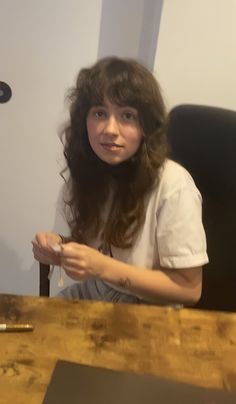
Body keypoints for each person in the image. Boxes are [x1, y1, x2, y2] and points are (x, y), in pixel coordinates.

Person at [32, 57, 208, 305]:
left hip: (150, 308)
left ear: (146, 125)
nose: (110, 129)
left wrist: (103, 268)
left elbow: (189, 290)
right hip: (95, 292)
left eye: (127, 115)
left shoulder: (173, 185)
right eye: (100, 113)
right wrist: (60, 247)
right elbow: (100, 249)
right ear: (85, 121)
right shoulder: (88, 174)